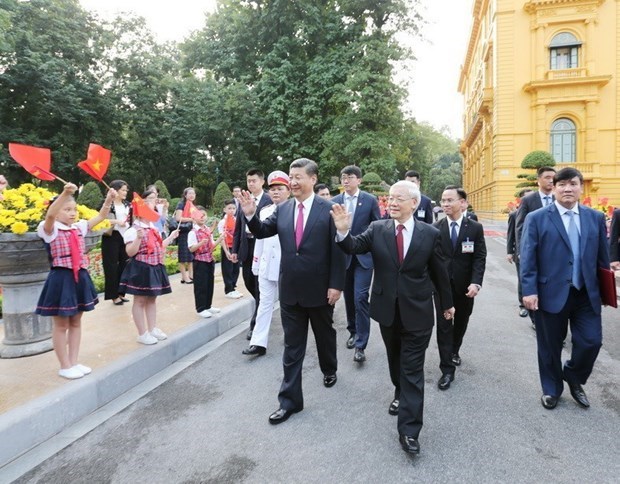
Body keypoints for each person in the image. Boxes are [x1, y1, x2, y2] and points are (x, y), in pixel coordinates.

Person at [331, 180, 454, 456]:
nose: (393, 202)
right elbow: (352, 246)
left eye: (399, 198)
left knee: (412, 369)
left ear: (414, 203)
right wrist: (342, 231)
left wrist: (447, 304)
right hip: (387, 311)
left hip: (418, 312)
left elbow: (439, 272)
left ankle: (409, 431)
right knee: (395, 361)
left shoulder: (430, 234)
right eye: (390, 198)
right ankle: (399, 392)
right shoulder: (377, 229)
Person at [239, 158, 346, 425]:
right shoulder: (283, 209)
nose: (293, 182)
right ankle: (289, 402)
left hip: (321, 290)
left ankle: (329, 368)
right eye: (291, 176)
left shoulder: (329, 209)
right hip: (290, 290)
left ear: (313, 178)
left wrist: (336, 285)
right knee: (292, 347)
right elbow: (263, 232)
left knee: (324, 335)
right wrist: (251, 214)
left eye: (298, 177)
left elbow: (338, 251)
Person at [520, 167, 610, 410]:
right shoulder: (537, 218)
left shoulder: (595, 218)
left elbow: (603, 258)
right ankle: (552, 389)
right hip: (549, 293)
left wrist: (606, 290)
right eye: (562, 184)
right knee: (549, 347)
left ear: (581, 187)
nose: (567, 189)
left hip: (585, 294)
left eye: (573, 184)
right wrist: (528, 290)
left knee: (591, 341)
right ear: (554, 188)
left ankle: (573, 375)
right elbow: (528, 257)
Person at [36, 183, 116, 379]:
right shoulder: (49, 229)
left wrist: (108, 200)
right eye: (67, 209)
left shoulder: (78, 227)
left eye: (74, 210)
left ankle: (74, 361)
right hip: (61, 278)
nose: (72, 213)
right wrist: (65, 193)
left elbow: (101, 217)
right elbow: (50, 216)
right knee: (61, 324)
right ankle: (64, 365)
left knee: (76, 322)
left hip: (79, 276)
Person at [433, 186, 486, 390]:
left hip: (466, 287)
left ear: (463, 203)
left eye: (450, 200)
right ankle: (447, 369)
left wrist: (476, 282)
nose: (445, 204)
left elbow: (479, 257)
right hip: (442, 287)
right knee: (444, 324)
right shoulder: (435, 228)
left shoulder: (474, 228)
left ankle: (454, 350)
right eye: (443, 200)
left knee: (461, 321)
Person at [331, 165, 380, 362]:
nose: (346, 181)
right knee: (349, 298)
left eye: (350, 177)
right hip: (343, 258)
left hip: (363, 258)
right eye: (343, 177)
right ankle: (353, 331)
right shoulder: (335, 202)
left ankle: (361, 344)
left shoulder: (369, 200)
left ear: (359, 180)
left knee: (360, 298)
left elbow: (377, 226)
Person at [120, 191, 180, 345]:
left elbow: (159, 247)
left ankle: (152, 329)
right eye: (149, 207)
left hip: (154, 267)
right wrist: (138, 238)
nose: (153, 210)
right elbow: (130, 252)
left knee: (152, 299)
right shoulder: (133, 230)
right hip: (141, 268)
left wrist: (171, 237)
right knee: (139, 300)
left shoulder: (153, 228)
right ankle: (142, 333)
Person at [242, 171, 291, 356]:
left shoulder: (294, 210)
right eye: (273, 189)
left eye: (280, 188)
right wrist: (256, 264)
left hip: (286, 266)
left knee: (288, 305)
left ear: (289, 190)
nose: (276, 192)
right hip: (266, 265)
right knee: (264, 304)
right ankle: (258, 342)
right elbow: (259, 239)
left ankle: (291, 339)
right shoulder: (264, 211)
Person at [232, 169, 272, 340]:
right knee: (248, 280)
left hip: (261, 244)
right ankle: (261, 304)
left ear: (262, 181)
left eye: (254, 180)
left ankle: (255, 324)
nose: (251, 184)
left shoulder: (269, 200)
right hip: (246, 245)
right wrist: (234, 249)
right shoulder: (243, 201)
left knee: (259, 285)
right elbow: (238, 227)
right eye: (248, 181)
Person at [515, 166, 556, 328]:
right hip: (533, 251)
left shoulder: (559, 199)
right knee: (532, 283)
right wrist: (521, 251)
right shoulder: (528, 200)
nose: (551, 180)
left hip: (553, 253)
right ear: (538, 180)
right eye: (547, 177)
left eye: (553, 177)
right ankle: (534, 317)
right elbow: (520, 227)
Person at [188, 206, 223, 318]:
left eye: (204, 215)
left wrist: (219, 239)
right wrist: (200, 244)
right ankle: (200, 308)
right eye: (200, 215)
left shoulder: (207, 230)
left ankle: (208, 305)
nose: (202, 217)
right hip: (199, 260)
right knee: (200, 285)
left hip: (209, 259)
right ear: (194, 217)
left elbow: (211, 246)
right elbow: (191, 249)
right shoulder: (193, 232)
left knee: (209, 283)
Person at [101, 180, 132, 306]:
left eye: (126, 190)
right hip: (111, 236)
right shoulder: (107, 204)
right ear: (115, 190)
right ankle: (113, 295)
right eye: (123, 190)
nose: (125, 192)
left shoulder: (128, 204)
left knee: (125, 265)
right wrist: (116, 222)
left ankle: (121, 293)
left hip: (125, 237)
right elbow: (100, 218)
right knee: (111, 266)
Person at [507, 188, 534, 318]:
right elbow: (511, 234)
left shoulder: (540, 215)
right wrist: (510, 252)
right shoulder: (514, 215)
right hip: (520, 253)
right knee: (523, 279)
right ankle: (523, 305)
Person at [218, 200, 242, 298]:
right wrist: (226, 251)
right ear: (224, 209)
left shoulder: (237, 220)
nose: (232, 210)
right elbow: (222, 237)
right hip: (228, 247)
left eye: (233, 208)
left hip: (236, 247)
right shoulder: (222, 222)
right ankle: (228, 290)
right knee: (228, 269)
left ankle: (233, 287)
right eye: (229, 208)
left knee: (236, 268)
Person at [174, 187, 197, 284]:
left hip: (191, 231)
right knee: (183, 256)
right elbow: (178, 218)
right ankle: (184, 277)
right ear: (185, 195)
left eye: (193, 193)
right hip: (183, 232)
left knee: (190, 255)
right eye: (189, 193)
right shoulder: (181, 204)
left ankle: (191, 275)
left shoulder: (192, 205)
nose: (192, 195)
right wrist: (191, 219)